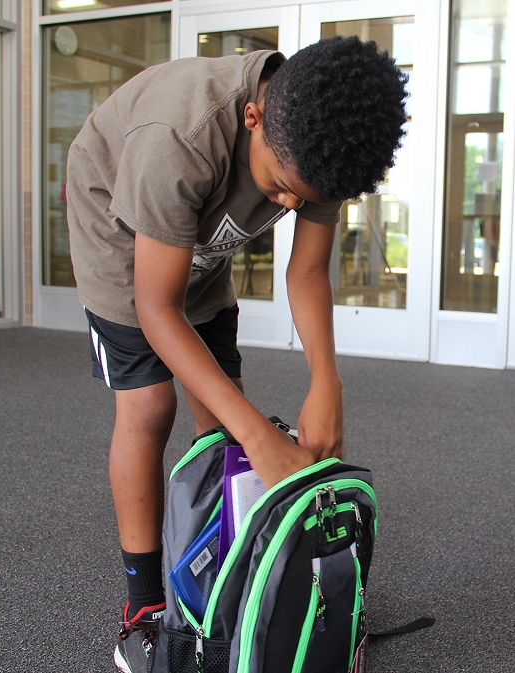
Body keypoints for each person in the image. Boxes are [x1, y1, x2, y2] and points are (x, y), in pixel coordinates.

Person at [66, 35, 407, 673]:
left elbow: (306, 273)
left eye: (301, 200)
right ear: (253, 116)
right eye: (280, 188)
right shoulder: (179, 133)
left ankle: (231, 581)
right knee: (150, 406)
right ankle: (142, 613)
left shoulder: (319, 145)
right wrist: (257, 433)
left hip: (201, 242)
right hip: (118, 234)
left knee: (221, 424)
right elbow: (156, 308)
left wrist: (326, 382)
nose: (286, 206)